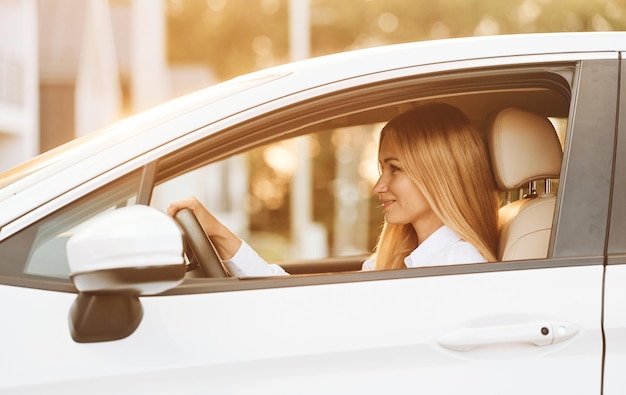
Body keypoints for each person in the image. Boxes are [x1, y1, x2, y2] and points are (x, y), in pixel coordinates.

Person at [167, 102, 499, 276]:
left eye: (394, 169)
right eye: (381, 168)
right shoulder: (409, 258)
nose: (378, 186)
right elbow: (306, 300)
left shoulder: (457, 266)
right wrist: (220, 234)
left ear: (437, 173)